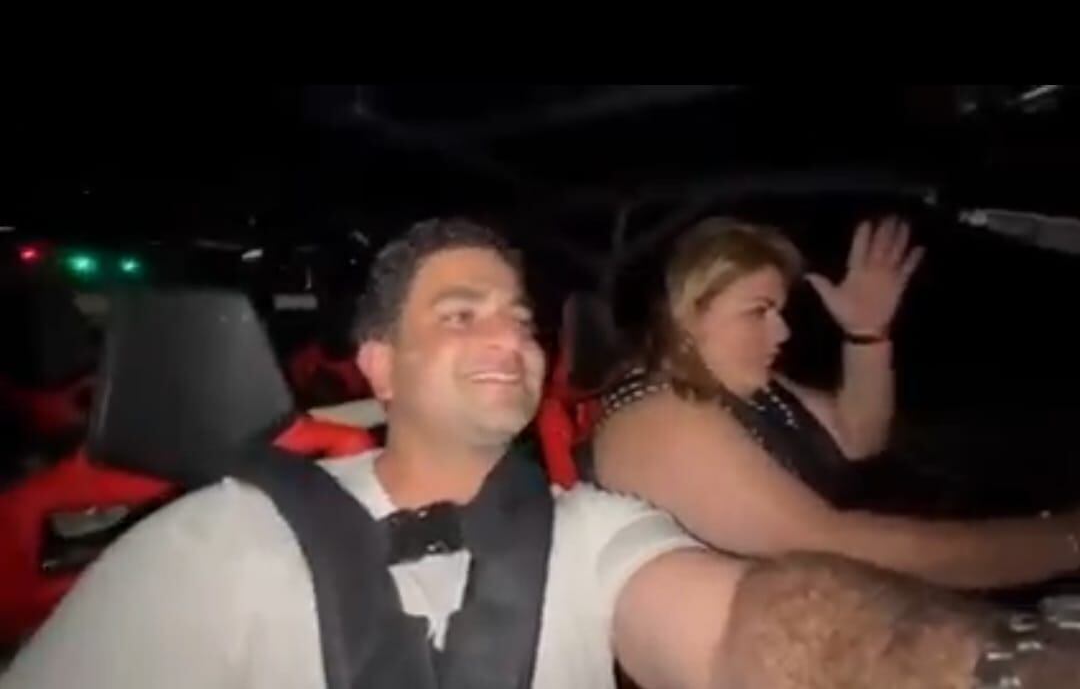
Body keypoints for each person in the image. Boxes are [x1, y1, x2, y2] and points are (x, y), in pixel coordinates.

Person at [4, 219, 1076, 688]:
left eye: (519, 317)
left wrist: (1000, 667)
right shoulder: (215, 540)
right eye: (460, 314)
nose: (511, 338)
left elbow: (748, 627)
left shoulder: (591, 531)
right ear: (378, 366)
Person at [592, 216, 1080, 589]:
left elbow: (858, 435)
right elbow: (836, 547)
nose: (783, 331)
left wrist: (867, 335)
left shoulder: (740, 388)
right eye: (759, 311)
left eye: (780, 311)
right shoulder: (657, 420)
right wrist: (1061, 543)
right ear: (685, 311)